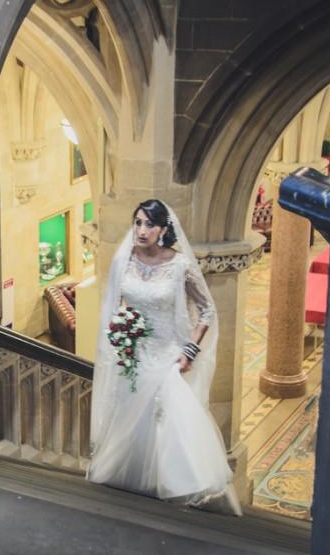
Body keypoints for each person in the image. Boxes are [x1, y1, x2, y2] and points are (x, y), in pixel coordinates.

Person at [87, 199, 242, 515]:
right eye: (138, 223)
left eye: (149, 225)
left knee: (166, 419)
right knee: (131, 418)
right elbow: (113, 308)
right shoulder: (123, 260)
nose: (141, 230)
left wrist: (189, 352)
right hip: (134, 355)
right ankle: (133, 484)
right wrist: (119, 334)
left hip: (169, 356)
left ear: (163, 229)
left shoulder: (180, 264)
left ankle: (173, 485)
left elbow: (207, 310)